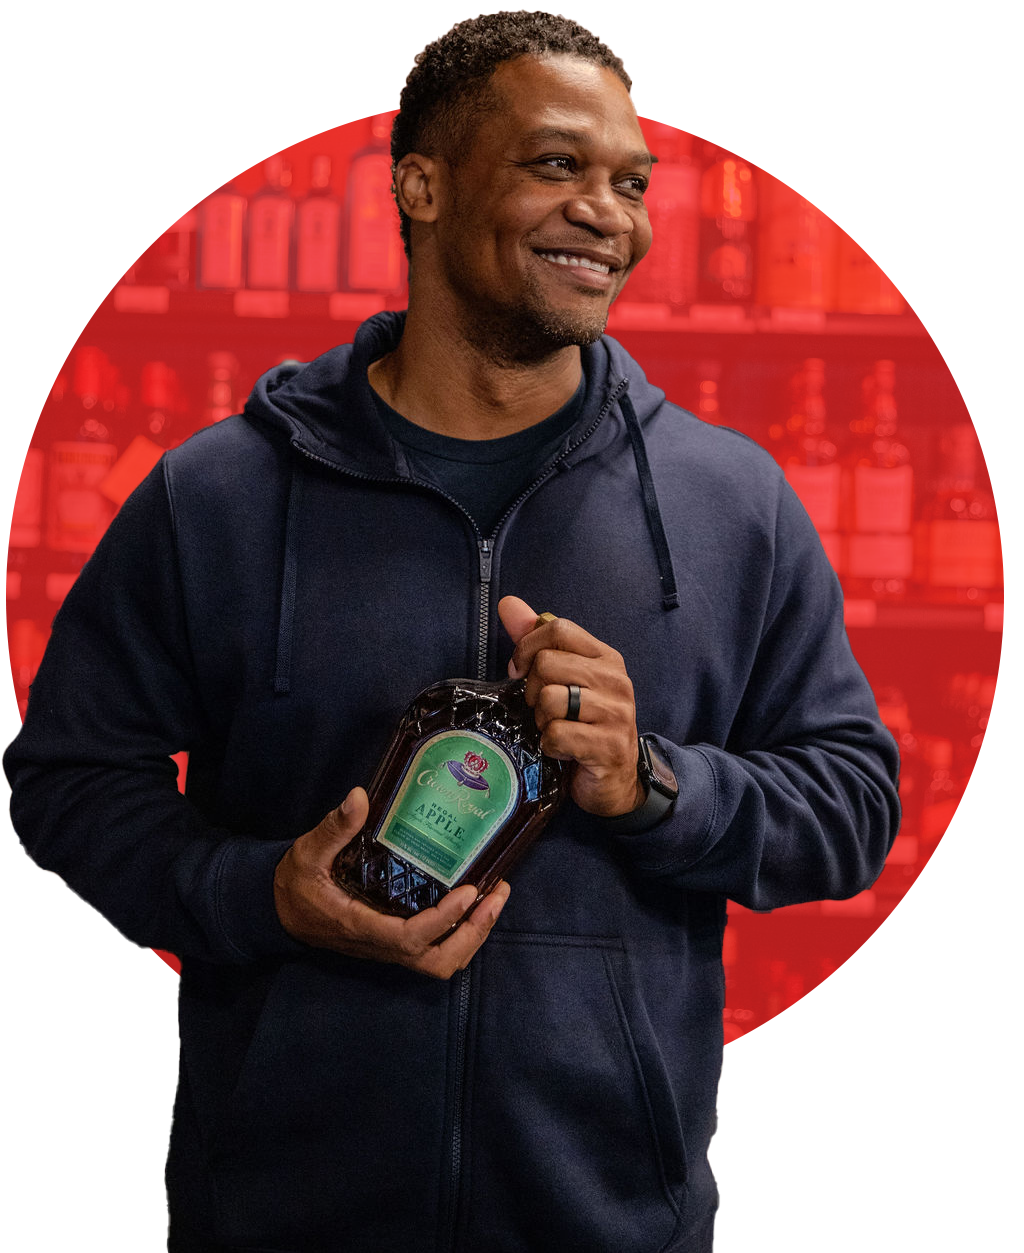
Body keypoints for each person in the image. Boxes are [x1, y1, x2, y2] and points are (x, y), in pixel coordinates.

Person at [4, 11, 901, 1252]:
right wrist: (259, 892)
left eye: (630, 183)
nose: (610, 213)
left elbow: (849, 804)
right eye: (555, 165)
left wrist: (655, 783)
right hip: (275, 1213)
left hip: (610, 1220)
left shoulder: (729, 502)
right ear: (419, 185)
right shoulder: (213, 495)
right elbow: (67, 781)